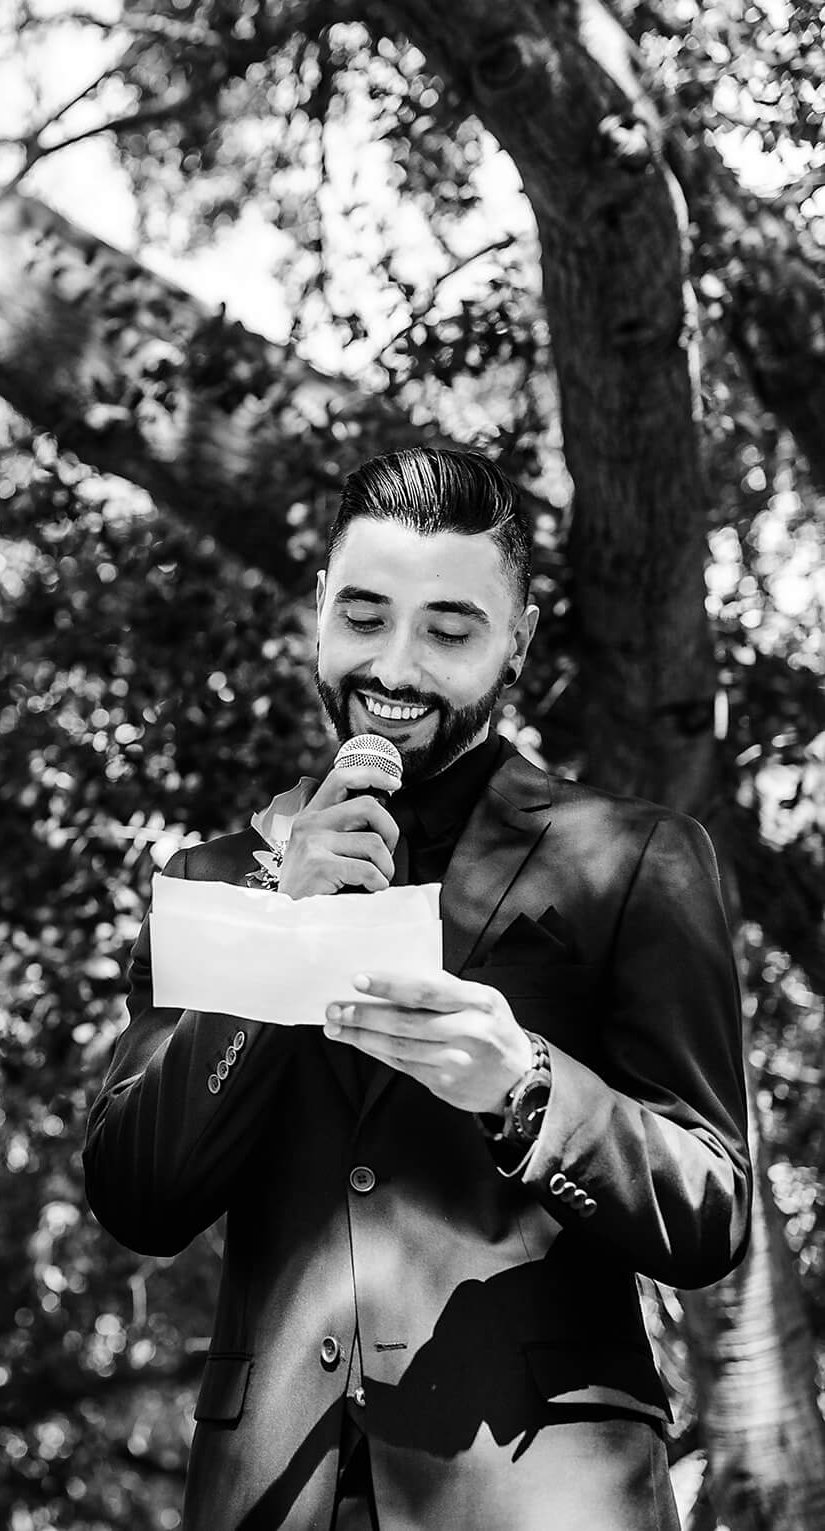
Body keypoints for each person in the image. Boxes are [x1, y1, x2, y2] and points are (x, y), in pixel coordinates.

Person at [82, 447, 750, 1531]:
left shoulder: (637, 859)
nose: (392, 667)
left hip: (542, 1492)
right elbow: (136, 1197)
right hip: (271, 1494)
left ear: (516, 641)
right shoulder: (209, 880)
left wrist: (525, 1087)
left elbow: (711, 1206)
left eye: (447, 630)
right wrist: (277, 942)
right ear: (315, 610)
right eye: (363, 616)